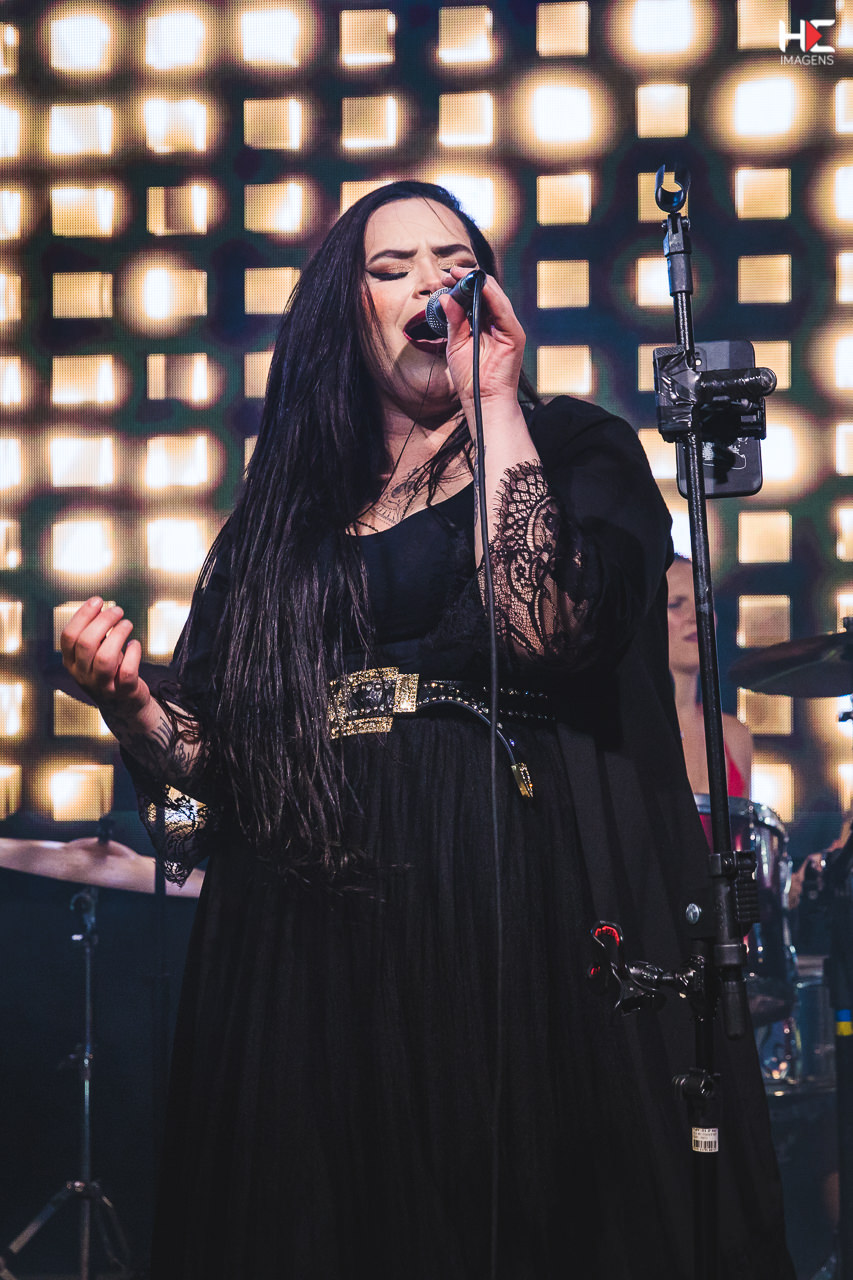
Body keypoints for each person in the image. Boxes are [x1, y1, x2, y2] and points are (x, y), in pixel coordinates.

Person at [59, 181, 795, 1279]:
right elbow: (216, 776)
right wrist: (127, 701)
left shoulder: (570, 447)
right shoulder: (282, 517)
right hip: (307, 907)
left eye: (454, 264)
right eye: (391, 267)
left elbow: (537, 624)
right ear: (343, 308)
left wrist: (492, 397)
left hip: (498, 883)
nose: (428, 286)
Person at [667, 553, 753, 798]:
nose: (696, 616)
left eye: (703, 603)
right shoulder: (622, 732)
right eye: (675, 604)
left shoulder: (735, 736)